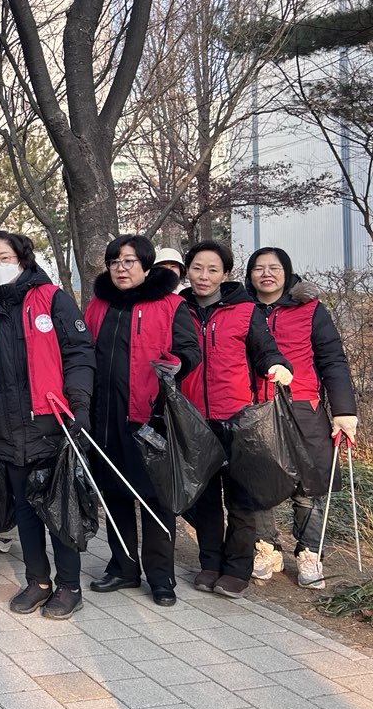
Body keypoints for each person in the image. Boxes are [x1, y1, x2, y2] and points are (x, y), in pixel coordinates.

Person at [0, 231, 95, 620]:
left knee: (59, 504)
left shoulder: (52, 298)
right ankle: (38, 580)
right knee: (24, 506)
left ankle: (69, 585)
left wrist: (80, 403)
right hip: (6, 419)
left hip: (51, 418)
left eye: (4, 256)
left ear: (22, 259)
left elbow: (79, 352)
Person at [83, 235, 200, 607]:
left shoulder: (170, 305)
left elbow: (190, 351)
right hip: (104, 417)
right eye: (115, 260)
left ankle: (160, 576)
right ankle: (123, 566)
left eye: (129, 261)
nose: (121, 267)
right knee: (115, 493)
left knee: (154, 499)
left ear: (147, 267)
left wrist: (177, 364)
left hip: (151, 417)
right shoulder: (97, 306)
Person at [180, 240, 292, 599]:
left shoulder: (245, 310)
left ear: (225, 274)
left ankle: (237, 568)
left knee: (241, 499)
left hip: (240, 419)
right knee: (206, 498)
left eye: (213, 269)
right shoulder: (179, 309)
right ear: (187, 270)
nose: (204, 276)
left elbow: (266, 351)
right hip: (195, 419)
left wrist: (277, 366)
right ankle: (210, 563)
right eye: (197, 268)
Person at [245, 247, 357, 589]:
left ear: (287, 272)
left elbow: (332, 360)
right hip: (256, 406)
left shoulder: (310, 309)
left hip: (303, 404)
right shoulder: (240, 308)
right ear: (249, 275)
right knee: (258, 480)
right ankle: (266, 547)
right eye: (259, 268)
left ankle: (310, 552)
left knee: (310, 482)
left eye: (274, 267)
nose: (267, 273)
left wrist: (343, 410)